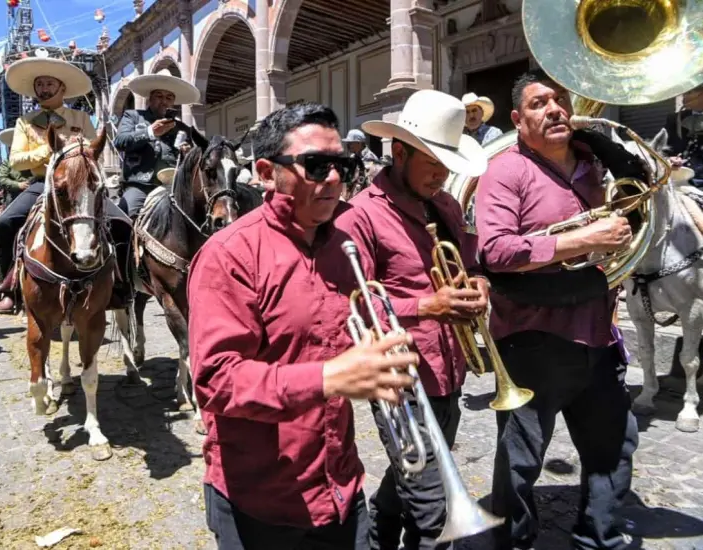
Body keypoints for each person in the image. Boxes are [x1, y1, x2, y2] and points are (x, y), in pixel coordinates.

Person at [188, 102, 418, 549]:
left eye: (342, 165)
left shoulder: (346, 246)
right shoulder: (228, 254)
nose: (333, 178)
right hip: (263, 501)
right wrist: (331, 376)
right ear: (266, 172)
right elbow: (216, 381)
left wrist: (382, 345)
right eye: (315, 165)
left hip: (341, 484)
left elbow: (361, 319)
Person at [475, 68, 640, 550]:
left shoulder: (595, 163)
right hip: (534, 338)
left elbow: (646, 194)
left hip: (598, 332)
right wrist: (585, 238)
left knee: (614, 446)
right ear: (517, 118)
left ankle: (599, 537)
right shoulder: (506, 170)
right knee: (520, 459)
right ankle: (513, 541)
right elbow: (498, 252)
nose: (554, 109)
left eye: (560, 100)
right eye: (538, 103)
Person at [334, 89, 489, 550]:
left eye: (448, 163)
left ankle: (380, 528)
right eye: (433, 162)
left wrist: (479, 283)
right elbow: (349, 303)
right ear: (398, 152)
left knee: (420, 476)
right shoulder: (360, 215)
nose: (442, 174)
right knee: (433, 507)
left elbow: (470, 264)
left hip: (450, 369)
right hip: (401, 380)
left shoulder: (447, 207)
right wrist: (427, 306)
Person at [0, 57, 134, 314]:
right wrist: (48, 152)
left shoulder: (80, 117)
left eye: (49, 83)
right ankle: (10, 287)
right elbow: (16, 160)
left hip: (80, 184)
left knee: (123, 223)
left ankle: (120, 285)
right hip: (42, 182)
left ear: (62, 88)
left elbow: (95, 151)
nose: (44, 89)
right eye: (40, 85)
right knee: (5, 222)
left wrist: (73, 150)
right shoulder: (24, 122)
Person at [114, 68, 199, 219]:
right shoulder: (133, 116)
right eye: (159, 96)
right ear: (150, 99)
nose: (164, 101)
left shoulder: (183, 129)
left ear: (173, 102)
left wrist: (188, 154)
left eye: (169, 97)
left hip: (174, 186)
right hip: (140, 186)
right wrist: (150, 132)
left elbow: (193, 161)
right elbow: (120, 142)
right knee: (125, 217)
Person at [664, 84, 703, 187]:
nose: (683, 97)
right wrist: (669, 159)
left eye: (689, 93)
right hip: (680, 180)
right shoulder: (674, 119)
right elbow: (665, 149)